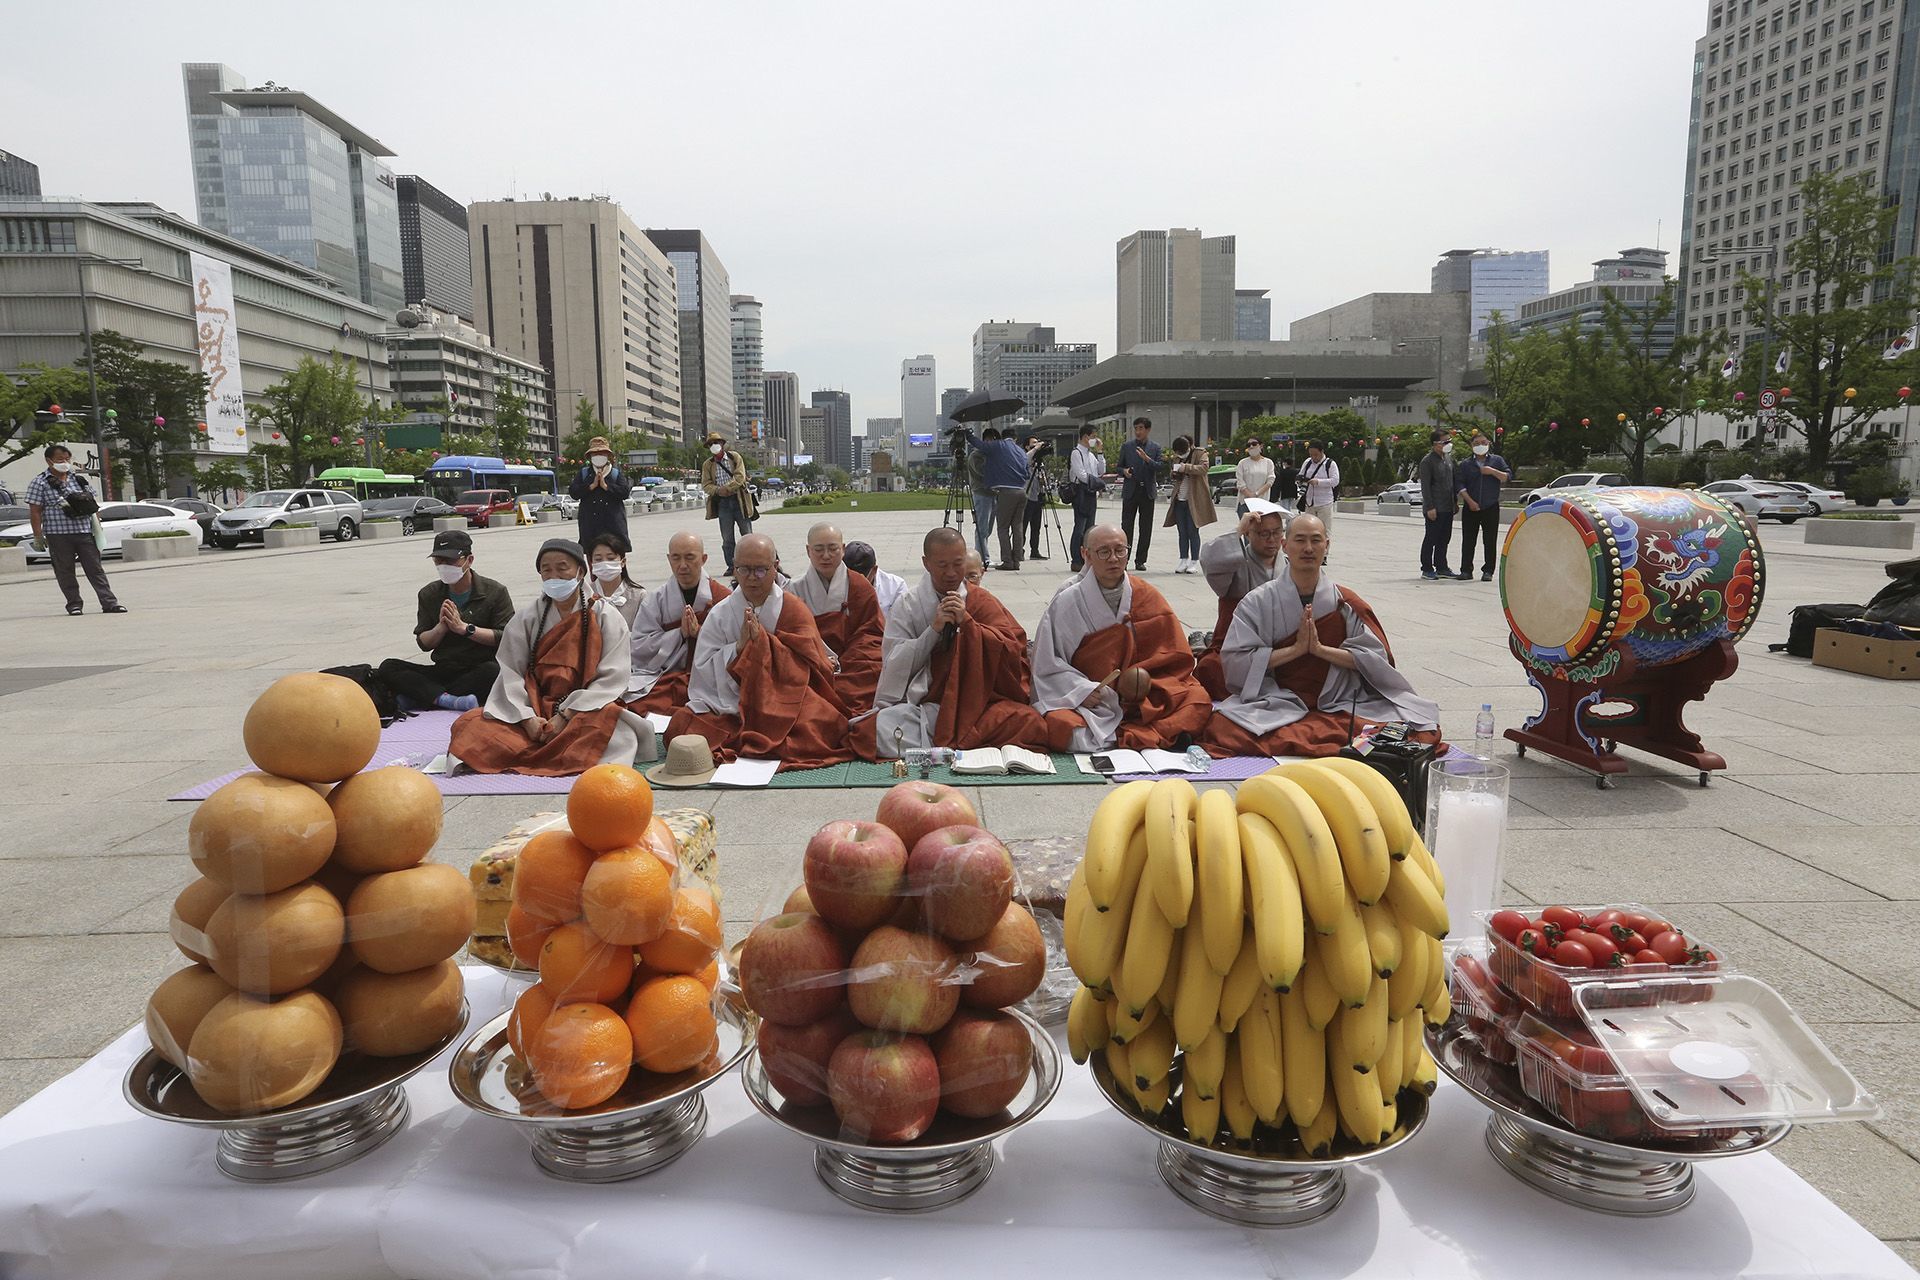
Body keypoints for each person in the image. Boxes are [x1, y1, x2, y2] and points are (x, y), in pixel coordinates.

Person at [1203, 514, 1441, 757]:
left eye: (1316, 540)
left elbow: (1376, 661)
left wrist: (1320, 650)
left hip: (1340, 698)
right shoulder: (1257, 601)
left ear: (1326, 546)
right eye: (1300, 540)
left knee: (1408, 729)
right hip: (1275, 698)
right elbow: (1236, 662)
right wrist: (1294, 651)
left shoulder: (1346, 602)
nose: (1308, 548)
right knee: (1221, 727)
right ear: (1286, 546)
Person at [447, 538, 648, 774]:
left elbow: (612, 677)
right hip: (535, 707)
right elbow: (510, 673)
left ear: (581, 571)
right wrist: (526, 719)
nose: (554, 576)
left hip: (582, 709)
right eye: (547, 570)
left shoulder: (606, 616)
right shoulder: (527, 618)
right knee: (469, 725)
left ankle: (543, 751)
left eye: (562, 568)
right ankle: (553, 750)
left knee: (615, 728)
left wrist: (566, 715)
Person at [853, 527, 1054, 759]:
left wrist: (969, 626)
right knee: (874, 730)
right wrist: (933, 631)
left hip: (979, 703)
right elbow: (894, 664)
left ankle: (952, 744)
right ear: (926, 563)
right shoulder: (908, 605)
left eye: (958, 564)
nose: (951, 573)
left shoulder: (982, 600)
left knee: (1030, 723)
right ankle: (968, 744)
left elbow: (1012, 650)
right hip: (930, 705)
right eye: (942, 565)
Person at [666, 533, 853, 768]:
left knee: (822, 726)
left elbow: (815, 667)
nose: (752, 578)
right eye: (744, 570)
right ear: (734, 569)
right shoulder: (720, 613)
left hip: (787, 698)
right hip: (731, 700)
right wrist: (739, 648)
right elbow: (703, 670)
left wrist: (764, 645)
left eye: (761, 570)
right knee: (682, 725)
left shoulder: (793, 608)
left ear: (775, 568)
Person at [1030, 524, 1215, 752]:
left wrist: (1145, 684)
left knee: (1198, 699)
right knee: (1061, 725)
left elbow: (1175, 657)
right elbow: (1048, 664)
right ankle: (1150, 736)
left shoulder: (1146, 595)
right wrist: (1080, 692)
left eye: (1120, 550)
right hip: (1094, 701)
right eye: (1104, 552)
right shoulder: (1069, 601)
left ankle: (1128, 736)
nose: (1113, 559)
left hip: (1145, 697)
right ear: (1086, 555)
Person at [377, 530, 517, 713]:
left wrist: (465, 629)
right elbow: (423, 643)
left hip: (478, 668)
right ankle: (449, 700)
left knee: (495, 672)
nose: (444, 566)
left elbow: (505, 637)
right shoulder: (430, 594)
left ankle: (423, 697)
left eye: (450, 561)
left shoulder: (495, 592)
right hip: (443, 668)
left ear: (469, 560)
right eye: (438, 561)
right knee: (389, 667)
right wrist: (441, 627)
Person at [626, 531, 732, 715]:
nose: (682, 565)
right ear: (669, 559)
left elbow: (734, 647)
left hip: (711, 679)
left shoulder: (723, 598)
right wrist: (679, 634)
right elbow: (639, 647)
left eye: (690, 557)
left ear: (704, 558)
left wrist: (700, 634)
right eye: (676, 558)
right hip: (667, 675)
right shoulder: (656, 600)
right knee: (638, 705)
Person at [1193, 500, 1286, 699]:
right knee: (1211, 670)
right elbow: (1209, 560)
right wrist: (1237, 530)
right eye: (1264, 534)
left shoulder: (1289, 566)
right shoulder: (1236, 563)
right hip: (1240, 647)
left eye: (1277, 532)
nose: (1272, 539)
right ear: (1248, 534)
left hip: (1281, 646)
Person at [789, 521, 885, 711]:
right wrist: (820, 658)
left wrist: (845, 661)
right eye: (819, 549)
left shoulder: (859, 585)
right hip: (813, 663)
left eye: (832, 549)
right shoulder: (794, 589)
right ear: (808, 551)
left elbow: (871, 633)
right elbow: (791, 636)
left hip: (855, 664)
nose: (826, 556)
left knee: (875, 667)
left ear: (842, 549)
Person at [25, 444, 123, 616]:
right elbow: (35, 511)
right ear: (49, 461)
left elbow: (93, 506)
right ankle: (74, 604)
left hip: (84, 532)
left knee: (95, 569)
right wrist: (38, 535)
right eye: (60, 459)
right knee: (65, 571)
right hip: (58, 534)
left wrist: (97, 528)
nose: (65, 462)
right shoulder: (39, 482)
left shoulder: (79, 480)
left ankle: (109, 602)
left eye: (67, 459)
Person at [963, 422, 1040, 571]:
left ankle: (1007, 561)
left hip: (1005, 493)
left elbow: (977, 443)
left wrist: (969, 435)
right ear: (1015, 438)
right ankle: (1015, 560)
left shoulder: (999, 448)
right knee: (1016, 526)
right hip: (1018, 492)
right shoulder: (1017, 451)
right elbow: (1025, 471)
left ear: (1001, 439)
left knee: (1002, 528)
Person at [1456, 431, 1511, 582]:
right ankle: (1466, 570)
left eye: (1484, 443)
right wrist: (1469, 501)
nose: (1480, 446)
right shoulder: (1466, 464)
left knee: (1490, 539)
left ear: (1488, 444)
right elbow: (1459, 484)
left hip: (1491, 506)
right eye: (1476, 444)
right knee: (1468, 540)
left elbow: (1507, 476)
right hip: (1471, 507)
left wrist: (1492, 472)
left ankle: (1488, 570)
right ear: (1471, 446)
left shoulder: (1497, 460)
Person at [700, 432, 759, 572]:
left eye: (716, 442)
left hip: (739, 500)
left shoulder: (734, 457)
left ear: (722, 444)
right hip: (723, 503)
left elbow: (740, 477)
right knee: (727, 538)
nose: (714, 446)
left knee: (747, 534)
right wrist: (718, 490)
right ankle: (732, 566)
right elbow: (706, 484)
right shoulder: (708, 464)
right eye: (711, 444)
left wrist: (728, 488)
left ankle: (753, 562)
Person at [1163, 435, 1216, 574]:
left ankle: (1194, 561)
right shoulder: (1177, 457)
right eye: (1178, 453)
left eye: (1182, 451)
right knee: (1182, 532)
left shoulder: (1200, 453)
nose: (1180, 455)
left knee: (1193, 531)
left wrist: (1185, 467)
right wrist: (1174, 472)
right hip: (1180, 498)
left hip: (1194, 499)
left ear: (1190, 446)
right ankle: (1183, 559)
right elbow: (1174, 474)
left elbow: (1203, 469)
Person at [569, 436, 631, 551]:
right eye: (595, 454)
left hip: (613, 526)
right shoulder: (584, 474)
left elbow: (625, 492)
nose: (599, 456)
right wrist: (590, 486)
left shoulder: (615, 474)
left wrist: (606, 487)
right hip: (590, 526)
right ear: (590, 456)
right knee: (592, 558)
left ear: (608, 456)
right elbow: (574, 492)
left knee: (616, 559)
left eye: (602, 453)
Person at [1116, 417, 1162, 571]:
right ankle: (1124, 558)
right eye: (1136, 428)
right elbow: (1118, 467)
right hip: (1131, 491)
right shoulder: (1127, 447)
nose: (1138, 431)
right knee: (1126, 527)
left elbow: (1159, 466)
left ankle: (1140, 560)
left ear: (1148, 430)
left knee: (1146, 527)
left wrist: (1147, 459)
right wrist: (1124, 471)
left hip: (1147, 492)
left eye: (1141, 428)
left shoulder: (1155, 447)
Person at [1416, 429, 1458, 581]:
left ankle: (1442, 566)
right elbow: (1425, 487)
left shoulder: (1448, 459)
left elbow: (1452, 482)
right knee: (1431, 538)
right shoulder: (1427, 461)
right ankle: (1427, 568)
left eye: (1449, 441)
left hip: (1448, 506)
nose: (1448, 444)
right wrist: (1429, 507)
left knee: (1444, 538)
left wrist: (1455, 502)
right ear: (1435, 444)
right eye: (1445, 441)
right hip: (1435, 507)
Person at [1066, 425, 1105, 572]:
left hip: (1091, 491)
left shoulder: (1090, 454)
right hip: (1081, 492)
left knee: (1090, 527)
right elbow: (1081, 475)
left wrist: (1100, 453)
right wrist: (1096, 482)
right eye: (1093, 436)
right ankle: (1076, 559)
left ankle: (1087, 558)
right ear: (1085, 437)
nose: (1095, 439)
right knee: (1080, 527)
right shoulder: (1076, 453)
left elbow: (1101, 471)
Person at [587, 532, 644, 628]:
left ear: (623, 562)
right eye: (598, 559)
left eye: (610, 558)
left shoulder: (639, 595)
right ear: (591, 563)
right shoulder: (586, 593)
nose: (605, 563)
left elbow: (644, 632)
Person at [842, 540, 907, 618]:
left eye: (861, 578)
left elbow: (901, 622)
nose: (855, 582)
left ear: (874, 570)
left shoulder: (896, 586)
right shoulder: (835, 583)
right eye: (850, 577)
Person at [966, 432, 996, 568]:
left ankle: (983, 555)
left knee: (988, 529)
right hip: (982, 493)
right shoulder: (976, 455)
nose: (992, 443)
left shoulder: (993, 455)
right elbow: (981, 474)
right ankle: (983, 559)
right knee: (981, 528)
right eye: (989, 440)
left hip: (994, 493)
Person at [1298, 440, 1339, 533]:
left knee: (1324, 530)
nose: (1313, 457)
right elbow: (1301, 474)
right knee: (1309, 530)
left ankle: (1324, 547)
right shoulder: (1307, 462)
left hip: (1324, 503)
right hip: (1309, 503)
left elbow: (1335, 481)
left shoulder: (1330, 464)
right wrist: (1300, 479)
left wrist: (1318, 482)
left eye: (1315, 454)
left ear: (1322, 452)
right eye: (1311, 455)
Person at [1020, 434, 1050, 560]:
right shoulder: (1024, 459)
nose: (1037, 445)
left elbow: (1044, 481)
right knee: (1023, 526)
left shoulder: (1040, 464)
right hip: (1027, 497)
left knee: (1036, 527)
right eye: (1033, 444)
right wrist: (1035, 449)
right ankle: (1018, 550)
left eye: (1038, 443)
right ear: (1027, 447)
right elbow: (1026, 459)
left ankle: (1035, 550)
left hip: (1038, 496)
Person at [1235, 437, 1275, 517]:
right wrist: (1250, 495)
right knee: (1246, 528)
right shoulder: (1242, 463)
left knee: (1261, 527)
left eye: (1254, 444)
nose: (1251, 446)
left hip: (1262, 502)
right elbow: (1240, 483)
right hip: (1245, 502)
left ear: (1261, 446)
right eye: (1248, 445)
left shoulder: (1268, 462)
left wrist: (1256, 494)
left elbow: (1270, 481)